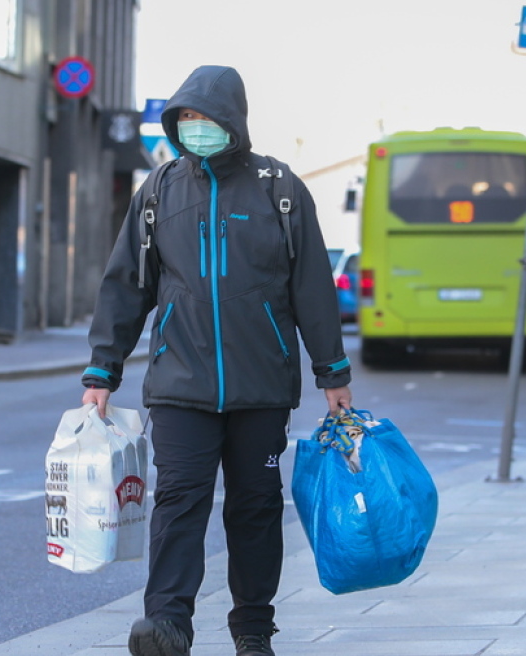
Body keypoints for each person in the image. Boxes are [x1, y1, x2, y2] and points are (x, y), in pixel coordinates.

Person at [80, 65, 352, 656]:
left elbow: (312, 286)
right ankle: (167, 623)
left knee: (255, 508)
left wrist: (332, 372)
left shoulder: (278, 189)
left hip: (262, 385)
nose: (196, 127)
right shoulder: (158, 193)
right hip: (180, 382)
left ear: (233, 119)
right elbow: (127, 284)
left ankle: (253, 629)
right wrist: (103, 369)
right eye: (186, 119)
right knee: (178, 500)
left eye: (205, 117)